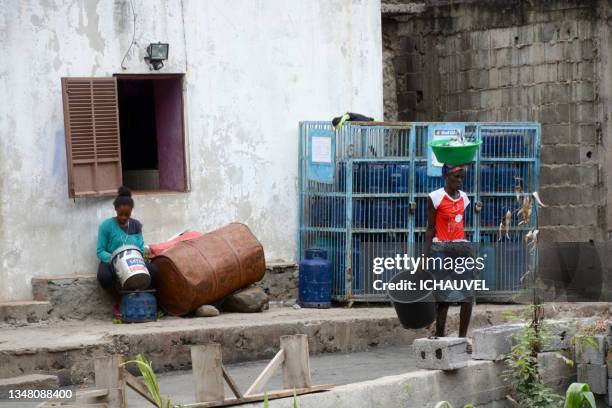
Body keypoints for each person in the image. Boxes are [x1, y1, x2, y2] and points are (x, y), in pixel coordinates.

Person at [423, 164, 475, 341]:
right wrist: (424, 257)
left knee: (468, 297)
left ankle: (462, 339)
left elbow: (460, 226)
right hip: (441, 249)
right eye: (456, 177)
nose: (460, 181)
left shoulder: (465, 198)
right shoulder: (435, 197)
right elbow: (430, 229)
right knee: (443, 299)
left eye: (462, 177)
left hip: (460, 249)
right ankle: (439, 337)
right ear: (446, 176)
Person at [96, 187, 159, 304]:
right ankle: (119, 301)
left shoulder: (136, 225)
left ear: (131, 211)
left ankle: (142, 300)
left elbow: (140, 247)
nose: (124, 217)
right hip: (111, 262)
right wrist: (117, 261)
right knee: (104, 276)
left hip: (133, 261)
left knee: (153, 271)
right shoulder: (106, 226)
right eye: (121, 214)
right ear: (115, 210)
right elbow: (100, 251)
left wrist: (133, 259)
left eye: (127, 214)